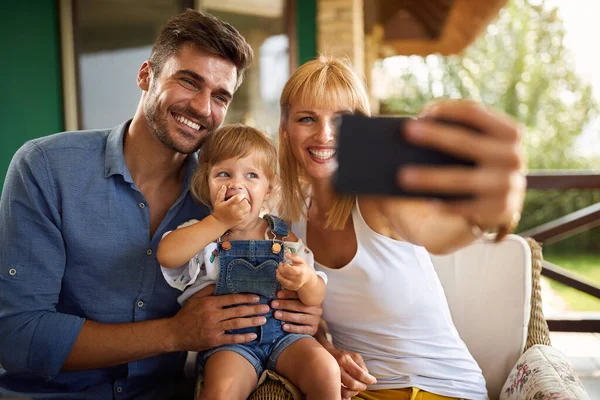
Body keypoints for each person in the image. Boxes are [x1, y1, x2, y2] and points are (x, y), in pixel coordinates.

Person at [0, 10, 322, 400]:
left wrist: (307, 324)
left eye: (220, 96)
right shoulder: (47, 167)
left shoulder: (227, 194)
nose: (203, 108)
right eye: (189, 81)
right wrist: (174, 334)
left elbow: (277, 277)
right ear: (145, 76)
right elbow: (18, 337)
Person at [277, 57, 526, 400]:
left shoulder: (378, 198)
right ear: (286, 130)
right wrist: (327, 350)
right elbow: (305, 315)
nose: (324, 135)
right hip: (365, 391)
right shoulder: (289, 220)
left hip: (439, 388)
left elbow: (437, 232)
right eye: (307, 118)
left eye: (340, 121)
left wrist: (484, 214)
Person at [156, 124, 339, 400]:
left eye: (251, 175)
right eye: (223, 174)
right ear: (207, 183)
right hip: (231, 344)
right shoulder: (204, 234)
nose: (236, 184)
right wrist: (218, 221)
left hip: (287, 338)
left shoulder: (280, 234)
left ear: (268, 188)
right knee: (221, 391)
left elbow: (315, 297)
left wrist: (306, 281)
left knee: (326, 369)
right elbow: (167, 254)